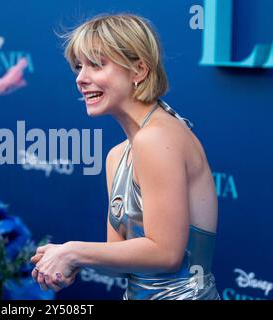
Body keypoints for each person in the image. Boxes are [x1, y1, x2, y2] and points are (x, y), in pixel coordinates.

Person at [30, 13, 220, 300]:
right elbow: (124, 262)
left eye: (96, 64)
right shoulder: (117, 155)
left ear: (139, 70)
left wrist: (74, 251)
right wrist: (67, 262)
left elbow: (166, 253)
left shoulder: (157, 138)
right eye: (79, 66)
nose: (81, 78)